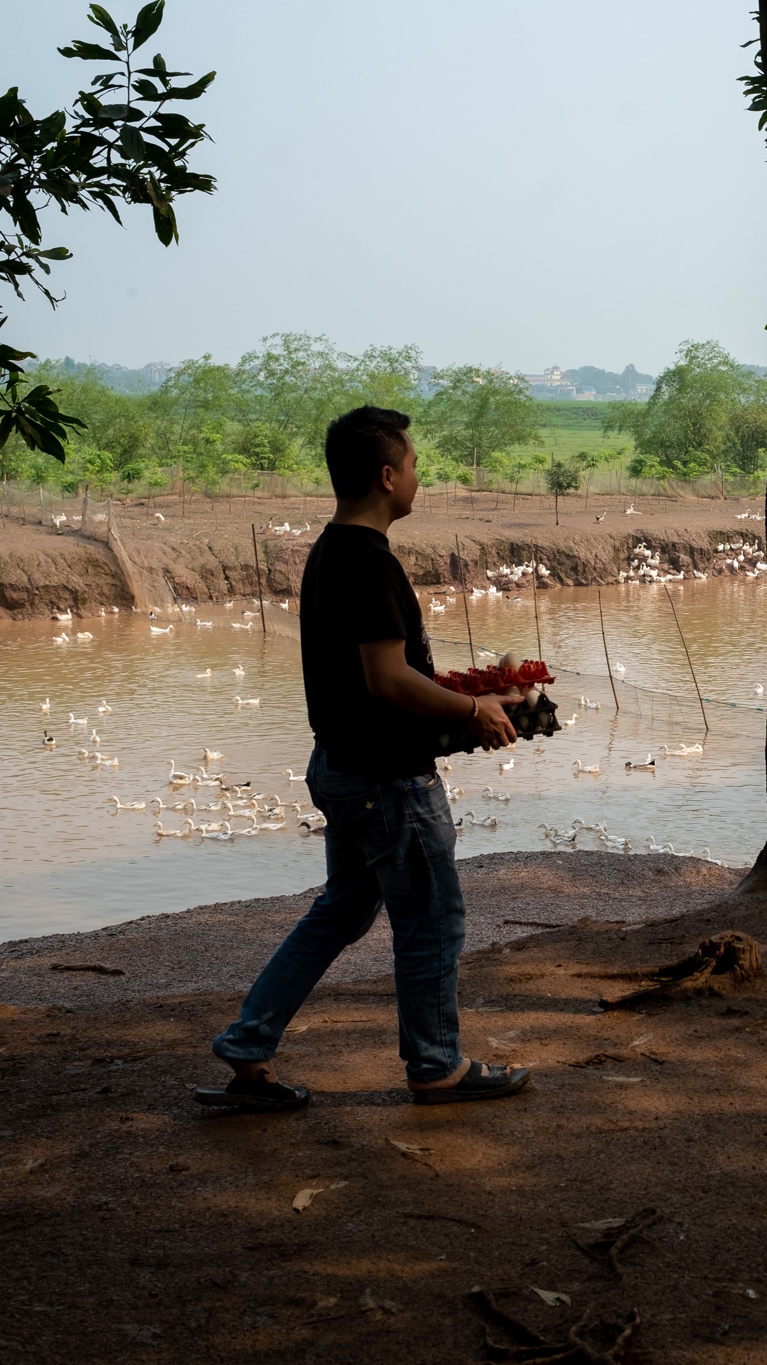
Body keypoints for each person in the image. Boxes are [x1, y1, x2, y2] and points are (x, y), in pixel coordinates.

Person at [196, 406, 530, 1112]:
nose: (419, 477)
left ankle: (248, 1046)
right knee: (432, 920)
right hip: (387, 781)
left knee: (341, 911)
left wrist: (473, 690)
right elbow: (386, 678)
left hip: (341, 765)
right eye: (413, 466)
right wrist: (474, 708)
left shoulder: (328, 551)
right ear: (387, 476)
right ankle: (437, 1065)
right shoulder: (369, 562)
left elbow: (378, 679)